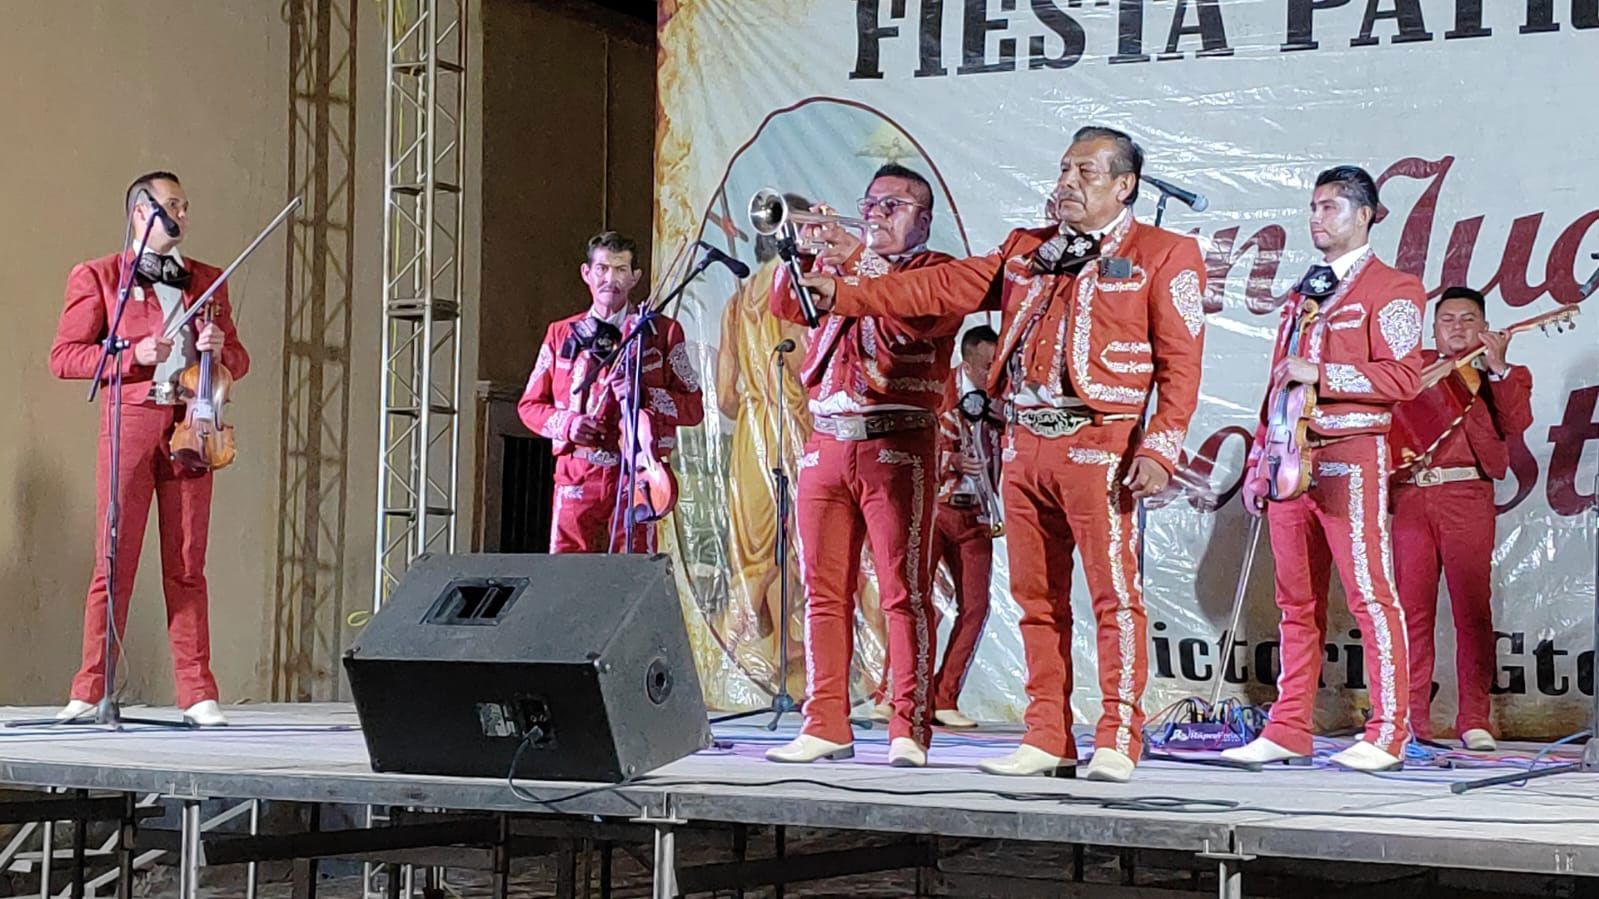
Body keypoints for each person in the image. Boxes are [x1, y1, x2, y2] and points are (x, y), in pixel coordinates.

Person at [799, 127, 1208, 782]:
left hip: (1099, 442)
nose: (1067, 182)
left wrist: (1159, 447)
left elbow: (1181, 364)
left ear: (1124, 185)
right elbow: (939, 289)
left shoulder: (1164, 252)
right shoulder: (1025, 250)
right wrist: (845, 292)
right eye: (1064, 169)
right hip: (1022, 442)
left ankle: (1118, 735)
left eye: (1085, 172)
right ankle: (1047, 733)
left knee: (1113, 596)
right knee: (1035, 599)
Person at [1224, 165, 1425, 773]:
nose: (1317, 218)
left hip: (1350, 456)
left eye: (1330, 207)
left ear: (1365, 215)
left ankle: (1388, 731)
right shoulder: (1302, 292)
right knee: (1294, 602)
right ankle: (1289, 727)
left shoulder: (1395, 287)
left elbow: (1404, 378)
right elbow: (1278, 383)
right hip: (1290, 459)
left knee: (1371, 595)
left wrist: (1324, 374)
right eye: (1313, 207)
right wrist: (1258, 460)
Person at [763, 163, 962, 769]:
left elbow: (912, 323)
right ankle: (825, 720)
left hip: (896, 441)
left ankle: (909, 725)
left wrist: (855, 258)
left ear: (923, 221)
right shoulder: (839, 266)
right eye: (871, 203)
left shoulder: (938, 271)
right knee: (822, 592)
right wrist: (800, 253)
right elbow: (785, 305)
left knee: (904, 593)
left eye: (893, 206)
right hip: (827, 441)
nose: (876, 214)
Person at [50, 171, 251, 727]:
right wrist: (131, 353)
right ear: (141, 212)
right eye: (173, 205)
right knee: (114, 558)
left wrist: (221, 350)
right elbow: (65, 357)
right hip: (132, 420)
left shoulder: (207, 280)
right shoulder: (99, 276)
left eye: (185, 206)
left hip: (195, 422)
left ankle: (197, 690)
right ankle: (91, 686)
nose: (183, 214)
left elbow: (239, 359)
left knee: (187, 563)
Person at [1390, 286, 1532, 752]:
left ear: (1484, 327)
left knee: (1472, 610)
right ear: (1433, 328)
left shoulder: (1502, 374)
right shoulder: (1415, 370)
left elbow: (1515, 424)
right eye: (1447, 319)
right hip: (1412, 495)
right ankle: (1411, 719)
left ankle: (1474, 719)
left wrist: (1498, 368)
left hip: (1467, 493)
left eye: (1468, 319)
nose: (1457, 327)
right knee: (1411, 611)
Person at [518, 231, 704, 553]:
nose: (610, 279)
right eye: (602, 269)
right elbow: (529, 406)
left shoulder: (663, 332)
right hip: (577, 474)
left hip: (636, 474)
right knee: (566, 568)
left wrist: (645, 395)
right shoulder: (560, 334)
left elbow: (694, 407)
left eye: (620, 270)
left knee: (632, 569)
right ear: (586, 273)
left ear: (635, 277)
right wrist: (568, 424)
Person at [927, 325, 1002, 728]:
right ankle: (898, 694)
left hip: (977, 514)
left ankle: (944, 697)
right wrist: (951, 461)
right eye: (988, 366)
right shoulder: (939, 390)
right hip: (936, 510)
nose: (995, 372)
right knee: (919, 604)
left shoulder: (1005, 396)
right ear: (969, 362)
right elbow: (917, 445)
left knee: (975, 607)